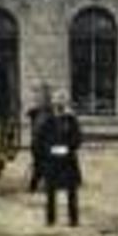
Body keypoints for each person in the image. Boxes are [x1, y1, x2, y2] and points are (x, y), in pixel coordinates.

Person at [36, 94, 83, 228]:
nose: (60, 107)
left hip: (68, 161)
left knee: (71, 191)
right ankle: (50, 219)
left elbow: (77, 139)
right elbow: (40, 140)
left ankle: (73, 220)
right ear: (54, 105)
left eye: (62, 104)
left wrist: (68, 148)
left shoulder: (71, 120)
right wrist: (48, 151)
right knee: (50, 191)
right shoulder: (47, 121)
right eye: (57, 104)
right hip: (52, 161)